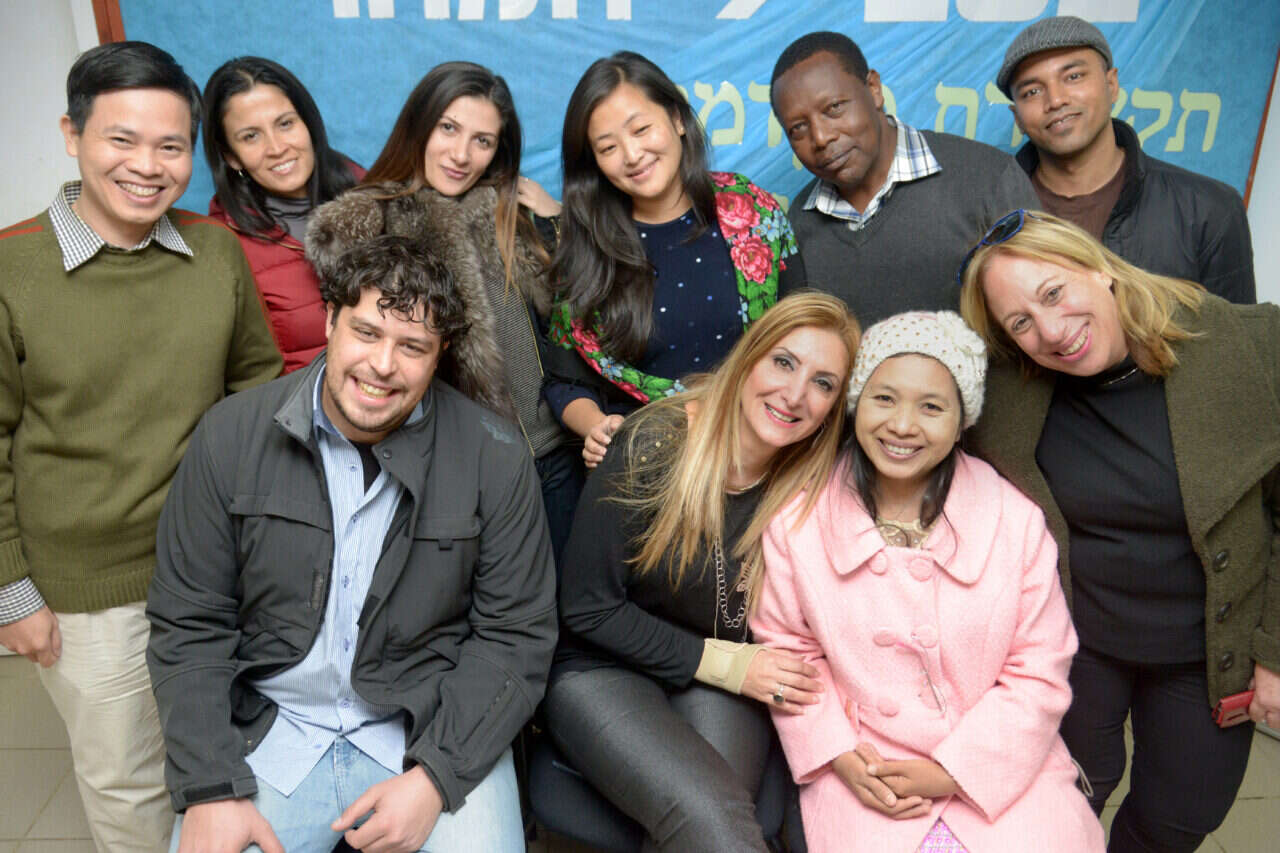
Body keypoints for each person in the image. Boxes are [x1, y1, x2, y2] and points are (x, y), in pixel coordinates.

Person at [147, 234, 557, 853]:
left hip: (428, 732)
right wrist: (209, 787)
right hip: (271, 732)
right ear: (330, 320)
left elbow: (515, 636)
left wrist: (436, 778)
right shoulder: (229, 436)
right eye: (366, 332)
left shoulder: (495, 456)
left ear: (440, 354)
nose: (383, 365)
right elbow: (189, 622)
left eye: (412, 346)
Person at [0, 41, 282, 852]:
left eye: (171, 145)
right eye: (121, 140)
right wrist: (12, 592)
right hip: (88, 589)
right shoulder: (14, 271)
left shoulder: (215, 253)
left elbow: (256, 393)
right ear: (72, 134)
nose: (148, 167)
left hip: (218, 567)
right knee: (128, 782)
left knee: (226, 760)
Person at [958, 210, 1280, 852]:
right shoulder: (1003, 391)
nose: (1052, 331)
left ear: (1100, 268)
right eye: (1020, 322)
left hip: (1208, 650)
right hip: (1078, 644)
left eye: (1054, 292)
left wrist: (1274, 652)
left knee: (1178, 817)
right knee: (1062, 801)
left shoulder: (1250, 346)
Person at [754, 311, 1104, 853]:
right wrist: (837, 754)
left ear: (963, 420)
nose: (902, 425)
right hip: (868, 765)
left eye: (932, 407)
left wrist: (954, 771)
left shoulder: (1014, 522)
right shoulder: (798, 522)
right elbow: (790, 654)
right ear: (856, 404)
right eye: (884, 398)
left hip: (1000, 763)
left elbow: (1039, 669)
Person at [545, 292, 859, 851]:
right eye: (783, 362)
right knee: (710, 814)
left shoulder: (813, 485)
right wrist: (727, 664)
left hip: (721, 680)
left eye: (822, 383)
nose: (794, 394)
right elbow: (588, 608)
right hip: (604, 667)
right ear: (749, 358)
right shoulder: (657, 442)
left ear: (835, 407)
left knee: (708, 825)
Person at [306, 61, 581, 561]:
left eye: (483, 140)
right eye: (448, 128)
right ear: (419, 125)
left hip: (552, 459)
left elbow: (574, 320)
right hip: (450, 471)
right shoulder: (370, 222)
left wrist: (557, 223)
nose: (461, 154)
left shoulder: (507, 213)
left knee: (564, 603)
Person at [546, 50, 805, 468]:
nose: (632, 155)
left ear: (678, 119)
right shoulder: (587, 247)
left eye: (641, 129)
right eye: (608, 147)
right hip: (644, 463)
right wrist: (597, 426)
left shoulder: (750, 210)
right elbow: (565, 380)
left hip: (760, 455)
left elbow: (802, 334)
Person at [769, 31, 1038, 326]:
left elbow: (1041, 315)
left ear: (874, 89)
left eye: (834, 108)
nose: (821, 138)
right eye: (798, 128)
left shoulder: (988, 178)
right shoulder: (799, 224)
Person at [997, 16, 1255, 305]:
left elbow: (1237, 332)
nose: (1056, 100)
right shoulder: (990, 216)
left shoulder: (1209, 209)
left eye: (1073, 77)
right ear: (1017, 117)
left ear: (1111, 84)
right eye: (1032, 92)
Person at [203, 56, 366, 373]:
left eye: (285, 124)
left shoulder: (370, 193)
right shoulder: (224, 246)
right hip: (301, 401)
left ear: (308, 124)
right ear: (231, 156)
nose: (277, 148)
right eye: (251, 136)